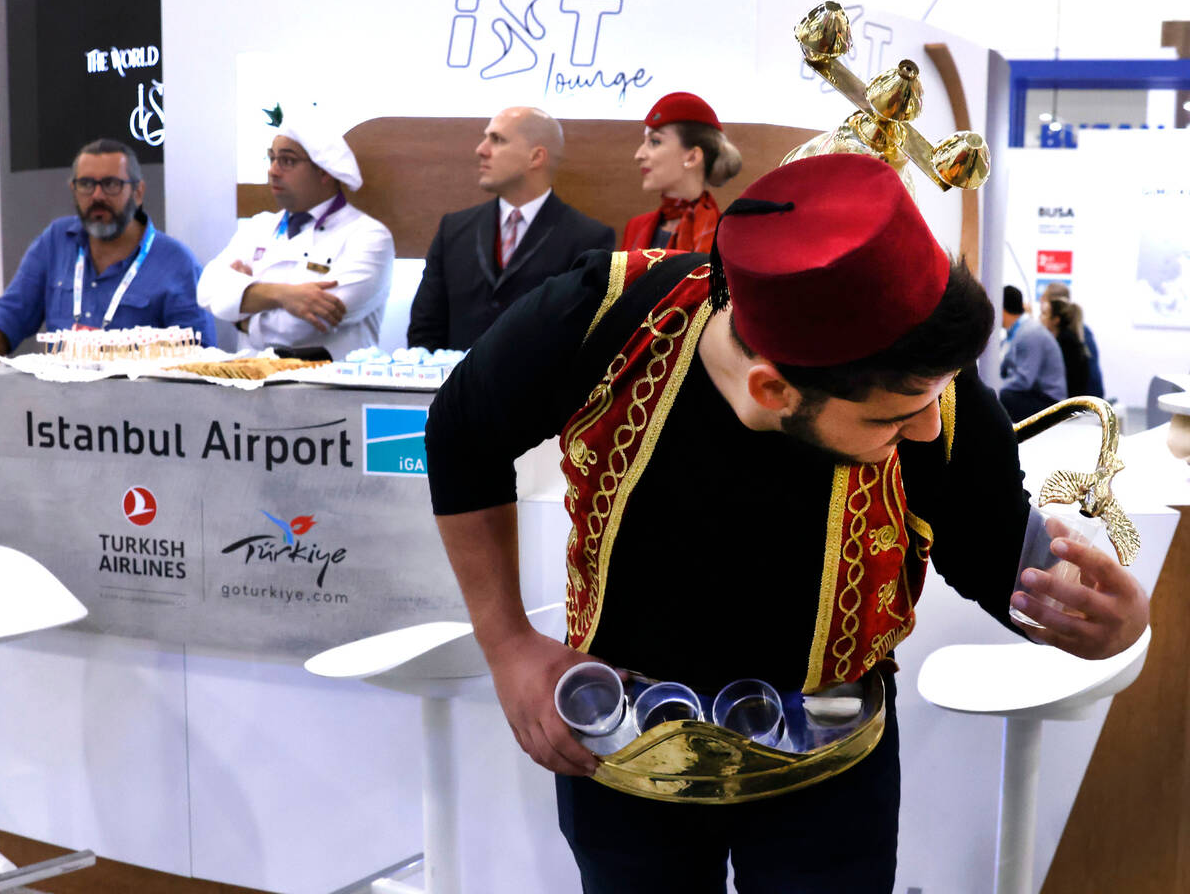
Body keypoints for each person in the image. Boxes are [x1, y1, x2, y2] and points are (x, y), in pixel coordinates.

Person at [424, 154, 1148, 893]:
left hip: (834, 760)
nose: (930, 429)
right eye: (894, 420)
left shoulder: (930, 391)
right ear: (772, 387)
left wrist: (1107, 623)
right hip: (623, 745)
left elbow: (998, 554)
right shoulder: (603, 314)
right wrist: (509, 644)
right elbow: (460, 434)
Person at [0, 138, 215, 366]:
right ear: (74, 190)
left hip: (141, 399)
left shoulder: (176, 263)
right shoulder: (56, 241)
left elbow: (200, 357)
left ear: (138, 192)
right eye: (86, 184)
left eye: (111, 184)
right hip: (60, 397)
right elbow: (10, 314)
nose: (97, 196)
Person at [406, 106, 615, 351]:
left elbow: (585, 339)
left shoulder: (588, 239)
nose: (481, 150)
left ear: (536, 157)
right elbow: (425, 329)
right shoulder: (453, 230)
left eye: (497, 139)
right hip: (455, 385)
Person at [197, 115, 394, 359]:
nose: (273, 171)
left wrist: (242, 319)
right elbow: (206, 290)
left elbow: (307, 325)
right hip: (251, 384)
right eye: (271, 158)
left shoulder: (369, 236)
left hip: (330, 390)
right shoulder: (258, 225)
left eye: (287, 161)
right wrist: (282, 295)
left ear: (324, 172)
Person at [622, 91, 742, 253]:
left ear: (692, 157)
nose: (639, 155)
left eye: (655, 141)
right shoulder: (635, 227)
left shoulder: (726, 234)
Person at [1000, 283, 1067, 422]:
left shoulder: (1029, 333)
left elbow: (1024, 380)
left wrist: (994, 387)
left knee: (1001, 397)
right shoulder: (1018, 332)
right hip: (1037, 394)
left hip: (1049, 402)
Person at [1041, 281, 1104, 398]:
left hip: (1081, 401)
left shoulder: (1066, 338)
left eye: (1044, 298)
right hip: (1091, 398)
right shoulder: (1080, 330)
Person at [1042, 297, 1091, 398]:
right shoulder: (1068, 338)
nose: (1040, 317)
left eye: (1044, 314)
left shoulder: (1064, 342)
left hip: (1069, 400)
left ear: (1056, 320)